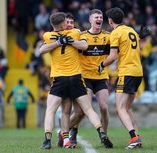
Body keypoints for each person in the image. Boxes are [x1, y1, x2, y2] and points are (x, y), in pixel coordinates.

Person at [37, 12, 113, 149]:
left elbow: (41, 50)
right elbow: (84, 46)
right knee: (83, 109)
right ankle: (96, 133)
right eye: (67, 22)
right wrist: (63, 41)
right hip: (76, 77)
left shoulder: (48, 36)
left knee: (52, 110)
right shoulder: (76, 32)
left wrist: (58, 42)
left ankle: (47, 140)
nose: (69, 24)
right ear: (63, 24)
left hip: (60, 79)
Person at [59, 9, 111, 146]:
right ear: (90, 20)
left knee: (104, 107)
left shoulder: (108, 36)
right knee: (81, 111)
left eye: (101, 17)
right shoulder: (81, 35)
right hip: (85, 78)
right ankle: (69, 132)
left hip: (101, 77)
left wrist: (138, 37)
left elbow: (123, 40)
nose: (99, 18)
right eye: (96, 17)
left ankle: (104, 136)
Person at [98, 7, 143, 149]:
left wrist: (102, 64)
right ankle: (138, 138)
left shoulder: (115, 33)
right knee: (127, 108)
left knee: (120, 108)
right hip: (138, 72)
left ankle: (134, 138)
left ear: (110, 21)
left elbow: (112, 57)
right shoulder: (132, 31)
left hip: (127, 72)